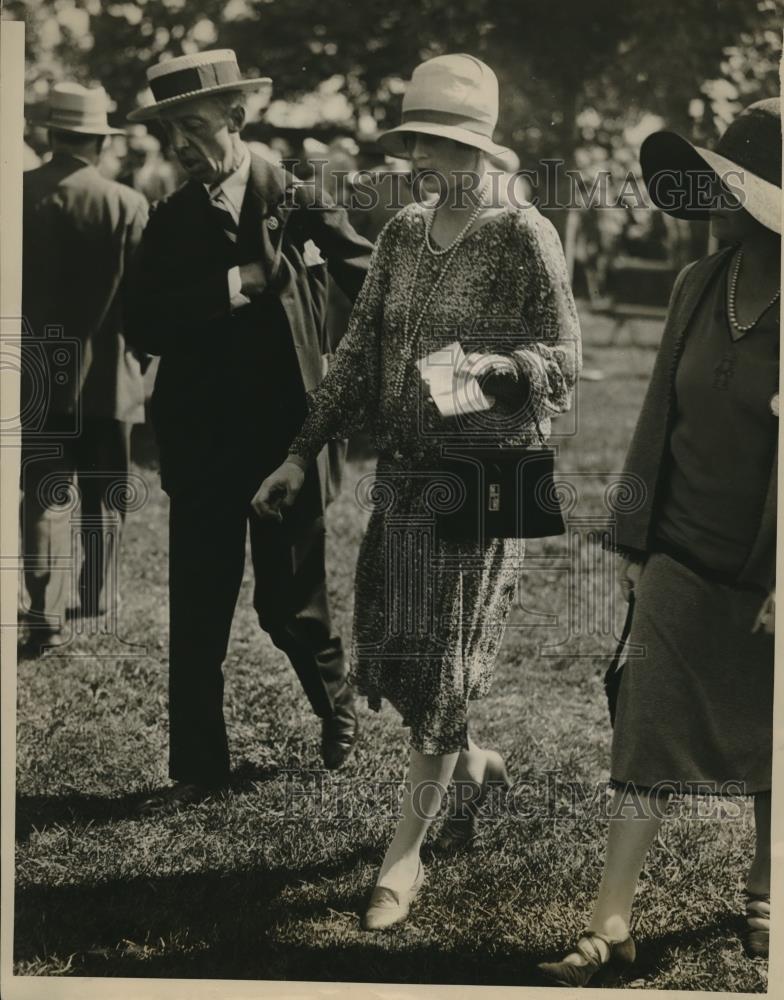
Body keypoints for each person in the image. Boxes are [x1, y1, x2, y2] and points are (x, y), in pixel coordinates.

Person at [253, 54, 581, 930]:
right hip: (403, 477)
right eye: (416, 141)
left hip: (481, 478)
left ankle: (405, 857)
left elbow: (566, 357)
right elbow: (359, 352)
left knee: (441, 668)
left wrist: (497, 372)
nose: (421, 156)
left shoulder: (524, 234)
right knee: (399, 652)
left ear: (478, 147)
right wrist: (299, 455)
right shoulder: (402, 232)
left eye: (437, 142)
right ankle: (470, 763)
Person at [539, 98, 780, 986]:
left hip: (767, 561)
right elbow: (655, 420)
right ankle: (611, 922)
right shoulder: (698, 285)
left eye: (739, 189)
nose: (719, 202)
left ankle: (767, 892)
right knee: (645, 720)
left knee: (775, 731)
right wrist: (636, 540)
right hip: (680, 548)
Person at [124, 50, 373, 813]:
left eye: (195, 127)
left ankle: (336, 704)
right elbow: (143, 324)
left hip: (284, 445)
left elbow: (370, 283)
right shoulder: (170, 218)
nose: (183, 146)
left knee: (288, 603)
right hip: (200, 443)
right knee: (198, 607)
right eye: (171, 134)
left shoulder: (298, 197)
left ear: (236, 118)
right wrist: (235, 285)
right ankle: (198, 766)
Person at [20, 82, 149, 653]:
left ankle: (44, 613)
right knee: (105, 496)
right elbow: (144, 302)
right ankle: (95, 597)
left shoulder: (16, 195)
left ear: (51, 134)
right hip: (109, 379)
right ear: (99, 141)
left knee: (43, 496)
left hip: (36, 376)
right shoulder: (126, 203)